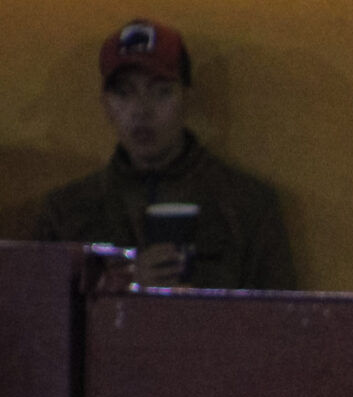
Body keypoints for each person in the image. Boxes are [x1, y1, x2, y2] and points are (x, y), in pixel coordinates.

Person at [33, 18, 294, 290]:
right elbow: (39, 317)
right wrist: (122, 283)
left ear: (187, 98)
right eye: (124, 93)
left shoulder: (247, 207)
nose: (141, 111)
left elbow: (280, 322)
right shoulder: (66, 213)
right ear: (106, 105)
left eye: (161, 92)